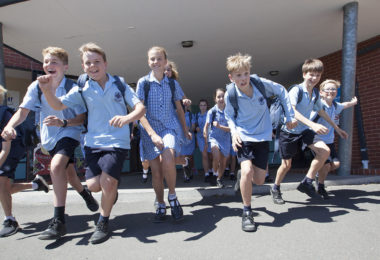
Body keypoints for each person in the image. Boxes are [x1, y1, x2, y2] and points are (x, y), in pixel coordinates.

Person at [34, 43, 145, 244]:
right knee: (94, 186)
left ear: (105, 63)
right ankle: (110, 192)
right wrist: (46, 89)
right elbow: (57, 105)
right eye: (88, 63)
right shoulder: (83, 87)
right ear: (83, 67)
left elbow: (140, 108)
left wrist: (127, 118)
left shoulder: (119, 84)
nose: (92, 66)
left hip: (116, 142)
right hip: (92, 143)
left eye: (96, 62)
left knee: (108, 182)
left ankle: (102, 223)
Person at [1, 47, 100, 240]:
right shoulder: (36, 86)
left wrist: (63, 122)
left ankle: (58, 221)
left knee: (56, 168)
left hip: (70, 132)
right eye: (46, 62)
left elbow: (81, 118)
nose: (49, 65)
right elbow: (22, 112)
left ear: (65, 66)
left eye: (54, 62)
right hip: (49, 137)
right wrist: (10, 126)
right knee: (70, 175)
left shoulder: (73, 88)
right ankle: (85, 194)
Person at [224, 53, 296, 232]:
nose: (243, 78)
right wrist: (234, 133)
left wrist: (290, 115)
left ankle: (242, 176)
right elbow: (229, 116)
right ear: (231, 77)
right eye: (238, 75)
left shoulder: (260, 84)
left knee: (259, 180)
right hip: (244, 136)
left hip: (263, 136)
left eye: (246, 73)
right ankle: (247, 211)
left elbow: (281, 91)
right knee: (248, 170)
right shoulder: (230, 94)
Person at [270, 58, 348, 205]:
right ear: (304, 74)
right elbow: (291, 111)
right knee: (287, 165)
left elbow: (321, 111)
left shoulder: (315, 93)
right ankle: (275, 188)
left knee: (324, 151)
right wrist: (312, 124)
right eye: (311, 74)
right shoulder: (296, 90)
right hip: (289, 131)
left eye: (318, 75)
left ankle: (307, 181)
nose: (314, 78)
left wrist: (337, 128)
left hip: (304, 130)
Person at [137, 46, 190, 222]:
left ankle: (173, 197)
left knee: (168, 157)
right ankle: (160, 202)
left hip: (168, 127)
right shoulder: (143, 83)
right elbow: (139, 112)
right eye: (152, 59)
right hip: (149, 131)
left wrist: (185, 129)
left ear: (165, 62)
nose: (155, 62)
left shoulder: (173, 83)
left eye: (159, 59)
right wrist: (152, 134)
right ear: (148, 62)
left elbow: (179, 109)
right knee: (157, 172)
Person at [0, 85, 50, 237]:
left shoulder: (3, 113)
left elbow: (8, 141)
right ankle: (36, 184)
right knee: (4, 189)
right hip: (6, 149)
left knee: (1, 182)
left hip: (12, 148)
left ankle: (10, 220)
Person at [312, 79, 357, 199]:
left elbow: (345, 105)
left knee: (336, 164)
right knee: (326, 166)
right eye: (328, 89)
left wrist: (353, 103)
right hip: (316, 140)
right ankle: (321, 187)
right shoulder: (318, 105)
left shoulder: (335, 106)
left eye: (333, 89)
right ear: (321, 92)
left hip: (329, 141)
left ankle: (318, 173)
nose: (331, 91)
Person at [164, 60, 194, 182]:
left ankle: (183, 162)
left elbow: (185, 99)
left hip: (173, 122)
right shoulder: (152, 84)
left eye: (168, 70)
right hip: (160, 123)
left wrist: (186, 102)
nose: (166, 72)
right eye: (164, 69)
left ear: (172, 72)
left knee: (170, 154)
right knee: (163, 156)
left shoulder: (173, 84)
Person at [203, 88, 231, 188]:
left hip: (225, 139)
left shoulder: (229, 111)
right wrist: (205, 137)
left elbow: (231, 129)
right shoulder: (212, 111)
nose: (221, 98)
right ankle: (214, 174)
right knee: (216, 156)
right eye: (218, 97)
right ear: (215, 99)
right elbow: (206, 126)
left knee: (223, 163)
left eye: (223, 96)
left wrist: (219, 126)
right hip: (214, 138)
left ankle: (219, 178)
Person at [195, 99, 213, 182]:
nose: (203, 107)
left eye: (204, 105)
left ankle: (211, 170)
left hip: (209, 137)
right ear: (199, 106)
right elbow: (194, 126)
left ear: (207, 106)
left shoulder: (210, 114)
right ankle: (206, 174)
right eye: (201, 105)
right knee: (204, 155)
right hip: (200, 137)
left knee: (211, 156)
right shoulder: (196, 115)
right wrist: (196, 128)